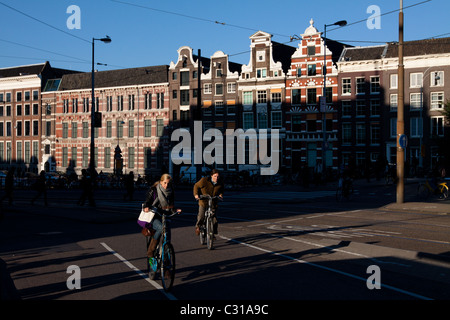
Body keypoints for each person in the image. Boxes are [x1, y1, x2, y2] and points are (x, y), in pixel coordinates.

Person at [141, 174, 181, 268]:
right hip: (154, 215)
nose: (166, 185)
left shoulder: (171, 191)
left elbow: (171, 205)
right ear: (161, 181)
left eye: (168, 183)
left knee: (167, 239)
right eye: (164, 183)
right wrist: (146, 206)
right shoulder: (154, 189)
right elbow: (148, 200)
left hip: (165, 215)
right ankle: (151, 250)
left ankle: (166, 266)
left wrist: (175, 210)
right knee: (160, 228)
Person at [193, 169, 224, 236]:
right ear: (211, 176)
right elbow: (196, 186)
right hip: (203, 201)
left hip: (213, 202)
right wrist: (196, 195)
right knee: (201, 216)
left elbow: (222, 189)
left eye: (218, 176)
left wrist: (221, 194)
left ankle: (212, 233)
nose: (216, 178)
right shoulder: (204, 180)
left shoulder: (220, 182)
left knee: (214, 219)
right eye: (215, 176)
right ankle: (198, 227)